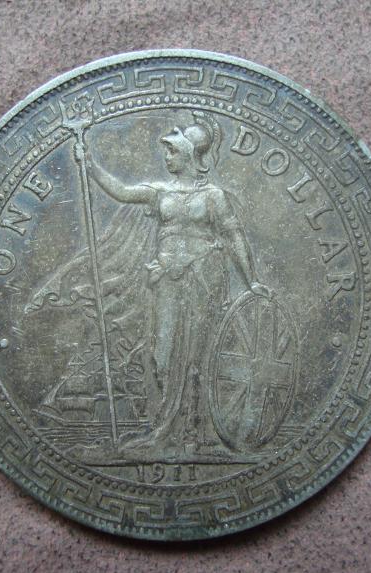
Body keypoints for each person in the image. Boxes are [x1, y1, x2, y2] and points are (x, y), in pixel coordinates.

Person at [30, 111, 269, 456]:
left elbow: (235, 238)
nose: (167, 157)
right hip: (167, 281)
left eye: (173, 151)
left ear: (191, 155)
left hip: (204, 280)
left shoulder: (214, 196)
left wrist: (252, 281)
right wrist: (89, 164)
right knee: (163, 357)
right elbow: (122, 192)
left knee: (196, 358)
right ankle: (165, 431)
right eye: (167, 151)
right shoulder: (159, 192)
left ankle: (190, 436)